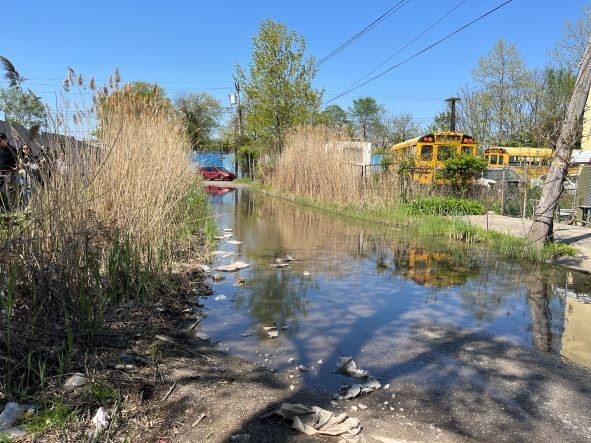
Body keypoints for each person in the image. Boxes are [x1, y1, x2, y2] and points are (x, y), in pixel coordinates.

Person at [0, 133, 18, 211]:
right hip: (0, 172)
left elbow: (16, 161)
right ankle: (2, 208)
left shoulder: (12, 149)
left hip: (9, 172)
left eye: (0, 140)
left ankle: (13, 210)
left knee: (10, 192)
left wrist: (15, 168)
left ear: (5, 140)